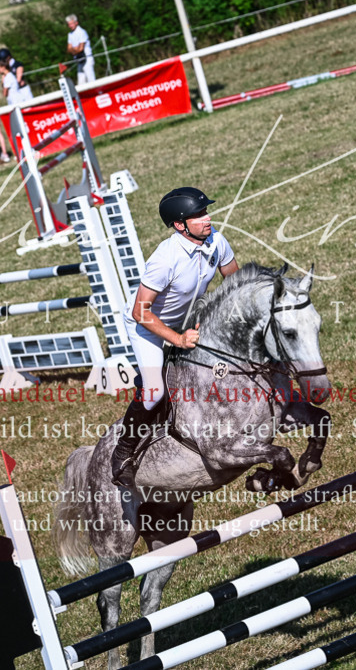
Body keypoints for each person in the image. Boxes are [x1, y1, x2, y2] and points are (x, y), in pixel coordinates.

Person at [110, 187, 239, 487]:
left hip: (190, 319)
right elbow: (140, 311)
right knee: (154, 393)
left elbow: (234, 281)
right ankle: (124, 453)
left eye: (207, 212)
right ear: (180, 225)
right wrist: (178, 341)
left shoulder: (216, 241)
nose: (207, 219)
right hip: (148, 326)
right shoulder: (165, 259)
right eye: (199, 215)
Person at [66, 14, 96, 85]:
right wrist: (75, 49)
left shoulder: (82, 32)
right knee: (81, 82)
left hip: (87, 58)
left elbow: (81, 48)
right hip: (79, 60)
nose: (70, 26)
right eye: (69, 24)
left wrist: (73, 49)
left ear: (76, 22)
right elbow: (68, 49)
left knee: (91, 80)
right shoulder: (70, 34)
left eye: (71, 24)